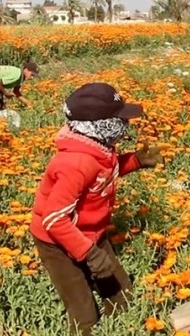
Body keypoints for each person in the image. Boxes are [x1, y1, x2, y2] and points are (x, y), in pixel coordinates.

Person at [29, 82, 163, 336]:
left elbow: (104, 173)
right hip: (56, 242)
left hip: (91, 232)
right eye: (120, 119)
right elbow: (55, 220)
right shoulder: (75, 163)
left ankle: (121, 329)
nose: (126, 125)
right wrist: (90, 255)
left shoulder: (98, 148)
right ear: (99, 124)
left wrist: (136, 160)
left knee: (122, 296)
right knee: (84, 314)